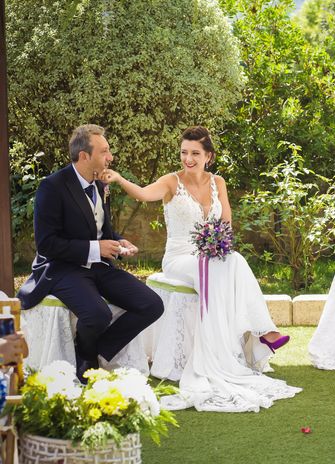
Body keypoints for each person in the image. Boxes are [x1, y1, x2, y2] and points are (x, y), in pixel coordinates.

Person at [102, 126, 301, 412]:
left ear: (208, 156)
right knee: (216, 267)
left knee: (235, 260)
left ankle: (263, 332)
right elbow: (144, 195)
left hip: (210, 254)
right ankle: (230, 350)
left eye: (195, 153)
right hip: (179, 258)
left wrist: (221, 243)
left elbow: (227, 222)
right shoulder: (172, 182)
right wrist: (119, 178)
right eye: (184, 152)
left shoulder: (218, 182)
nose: (188, 158)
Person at [17, 125, 164, 383]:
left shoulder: (99, 184)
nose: (110, 157)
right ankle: (85, 359)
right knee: (98, 314)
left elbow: (103, 230)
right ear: (84, 156)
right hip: (62, 268)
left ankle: (97, 350)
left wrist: (119, 242)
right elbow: (47, 244)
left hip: (100, 267)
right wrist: (96, 248)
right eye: (104, 151)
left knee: (152, 304)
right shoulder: (51, 187)